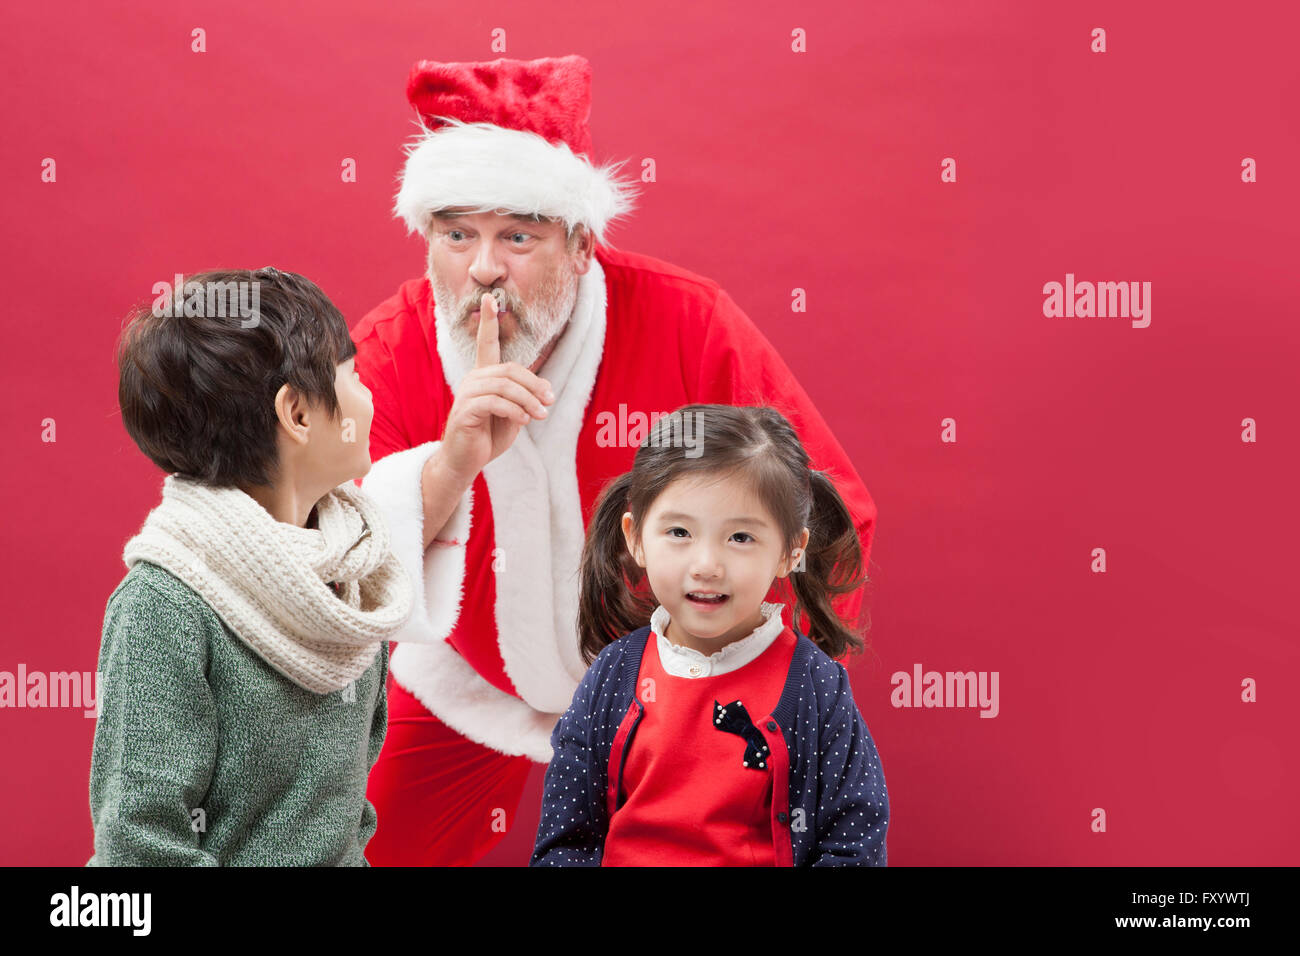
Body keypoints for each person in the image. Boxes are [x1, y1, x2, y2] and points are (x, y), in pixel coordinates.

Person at [355, 54, 879, 865]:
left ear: (578, 242)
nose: (483, 269)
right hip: (468, 674)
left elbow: (833, 507)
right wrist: (450, 465)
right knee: (362, 853)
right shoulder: (393, 344)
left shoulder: (688, 320)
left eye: (516, 236)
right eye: (457, 235)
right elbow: (337, 552)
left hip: (672, 673)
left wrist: (751, 672)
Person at [88, 268, 412, 866]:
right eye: (355, 377)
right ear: (297, 413)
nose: (369, 398)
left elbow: (345, 821)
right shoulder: (165, 604)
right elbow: (140, 848)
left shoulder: (346, 581)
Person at [530, 404, 889, 866]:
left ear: (789, 551)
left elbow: (854, 842)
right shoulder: (613, 676)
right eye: (679, 531)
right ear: (635, 536)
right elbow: (564, 840)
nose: (707, 566)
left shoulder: (816, 687)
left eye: (741, 538)